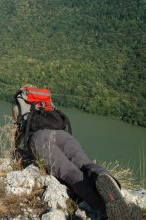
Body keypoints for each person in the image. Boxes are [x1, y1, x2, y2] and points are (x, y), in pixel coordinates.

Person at [12, 89, 141, 220]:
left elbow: (18, 131)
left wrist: (16, 151)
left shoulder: (19, 104)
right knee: (85, 163)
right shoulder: (45, 101)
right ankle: (112, 188)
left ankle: (104, 210)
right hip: (63, 135)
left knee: (69, 172)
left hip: (39, 138)